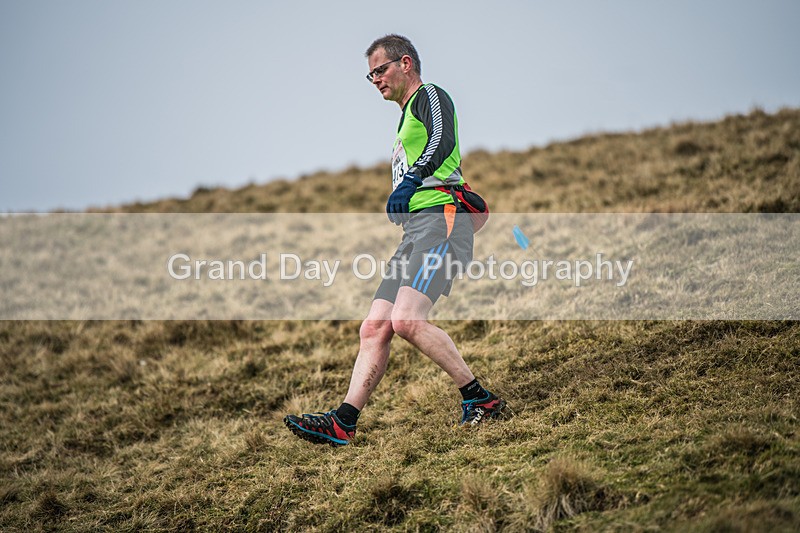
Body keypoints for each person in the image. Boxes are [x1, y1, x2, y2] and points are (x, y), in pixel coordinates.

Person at [284, 34, 505, 446]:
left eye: (380, 69)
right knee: (375, 327)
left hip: (443, 221)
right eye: (369, 75)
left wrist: (413, 181)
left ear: (406, 63)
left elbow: (444, 141)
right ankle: (343, 422)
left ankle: (480, 399)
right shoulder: (403, 117)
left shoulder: (428, 96)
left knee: (406, 320)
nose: (375, 80)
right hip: (418, 230)